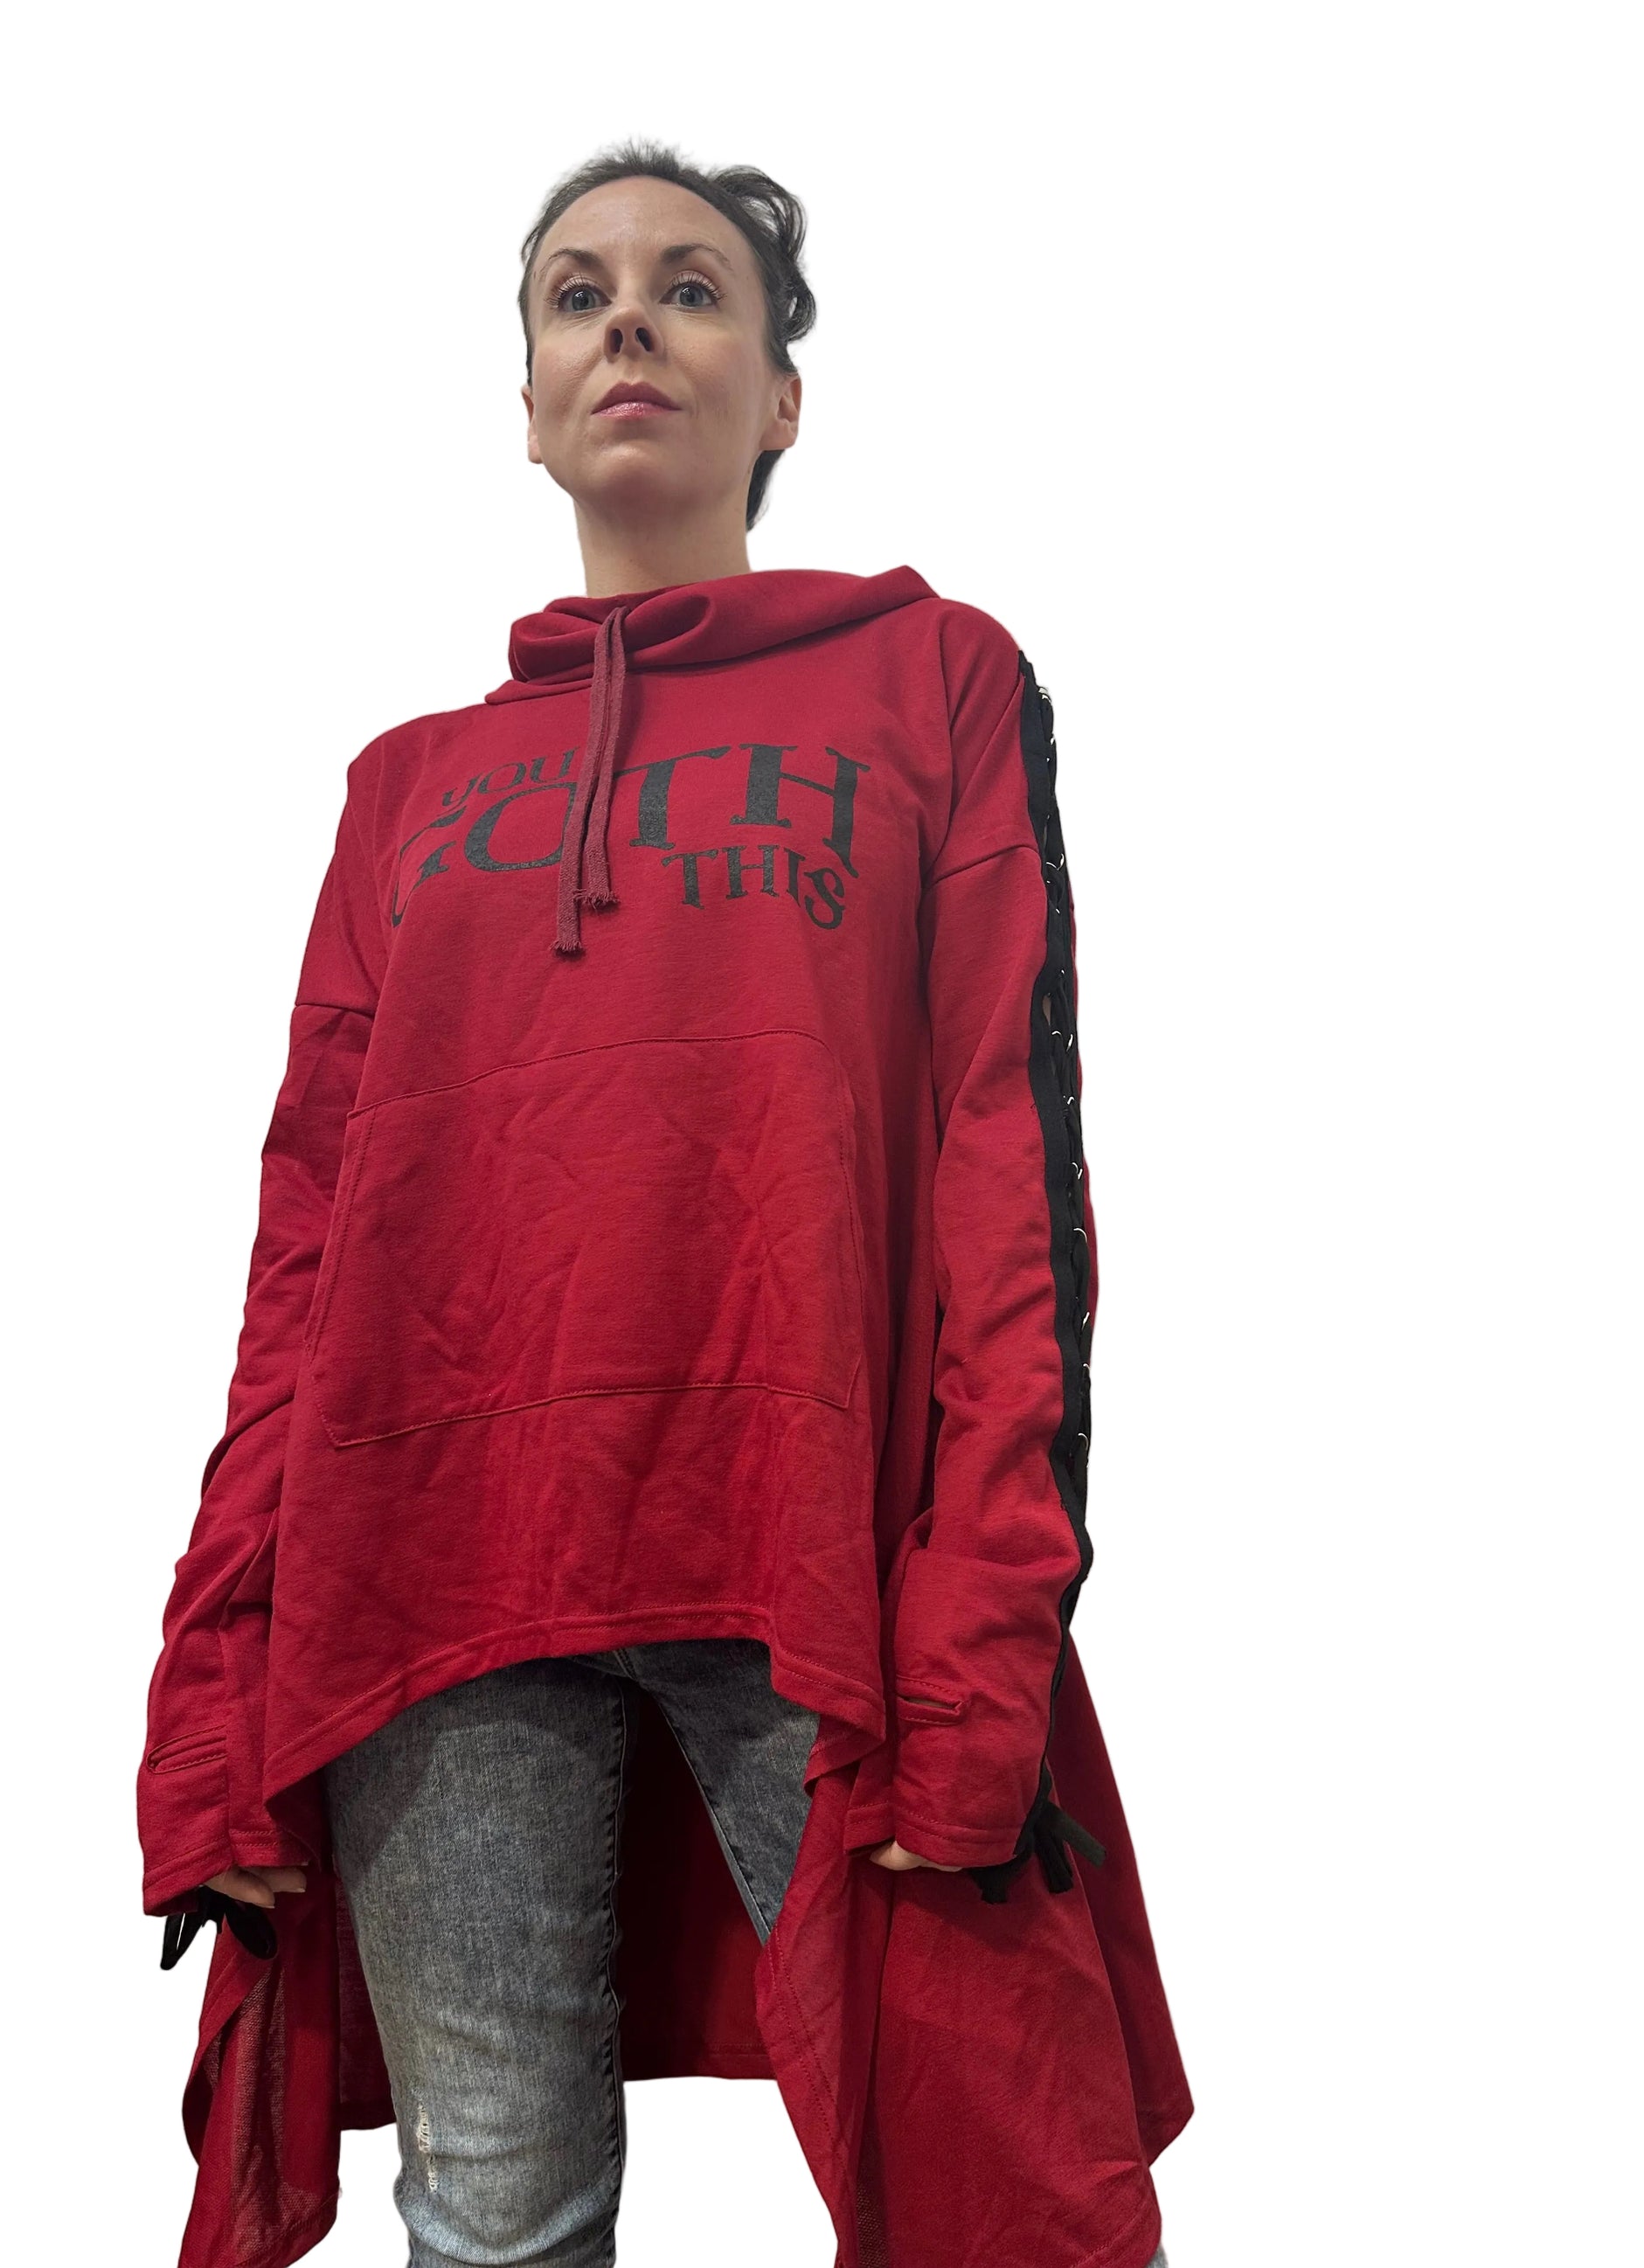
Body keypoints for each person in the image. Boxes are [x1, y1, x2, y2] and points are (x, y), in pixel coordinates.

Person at [138, 138, 1190, 2268]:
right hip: (428, 1573)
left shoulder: (930, 681)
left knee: (983, 2190)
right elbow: (308, 1244)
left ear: (779, 396)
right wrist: (215, 1684)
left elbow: (1007, 1169)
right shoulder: (404, 787)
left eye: (691, 286)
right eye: (575, 291)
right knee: (493, 2214)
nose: (627, 316)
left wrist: (982, 1633)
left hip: (806, 1558)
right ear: (530, 403)